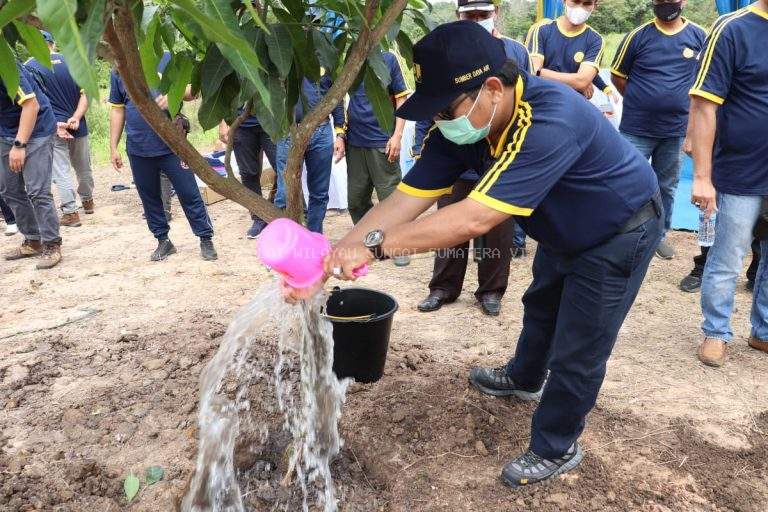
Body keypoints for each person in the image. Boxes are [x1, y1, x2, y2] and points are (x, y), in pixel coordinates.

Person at [284, 21, 662, 486]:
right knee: (541, 306)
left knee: (579, 348)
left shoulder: (552, 117)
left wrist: (375, 249)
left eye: (446, 108)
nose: (441, 122)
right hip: (564, 230)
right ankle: (524, 378)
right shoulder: (464, 126)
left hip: (618, 231)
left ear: (492, 88)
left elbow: (473, 220)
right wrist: (334, 255)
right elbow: (405, 200)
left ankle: (556, 445)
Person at [414, 0, 532, 316]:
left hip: (500, 156)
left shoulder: (515, 51)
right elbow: (433, 103)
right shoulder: (444, 48)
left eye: (483, 15)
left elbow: (524, 99)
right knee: (448, 225)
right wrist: (420, 149)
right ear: (458, 16)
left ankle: (491, 291)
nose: (477, 20)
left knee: (497, 229)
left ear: (495, 14)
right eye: (470, 16)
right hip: (458, 155)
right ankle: (443, 287)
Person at [688, 1, 768, 367]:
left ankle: (763, 331)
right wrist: (703, 177)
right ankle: (716, 331)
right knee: (729, 255)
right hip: (741, 170)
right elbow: (704, 104)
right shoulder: (732, 28)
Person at [610, 1, 706, 260]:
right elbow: (617, 75)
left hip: (675, 130)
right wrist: (642, 100)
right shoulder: (637, 36)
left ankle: (658, 236)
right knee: (627, 181)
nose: (665, 4)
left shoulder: (699, 36)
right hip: (636, 128)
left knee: (667, 186)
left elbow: (704, 81)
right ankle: (622, 234)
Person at [109, 54, 217, 261]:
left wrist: (173, 95)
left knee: (189, 193)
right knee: (149, 197)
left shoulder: (169, 58)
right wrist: (113, 146)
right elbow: (117, 110)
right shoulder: (119, 66)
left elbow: (194, 90)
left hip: (172, 145)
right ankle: (163, 241)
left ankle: (205, 238)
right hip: (138, 147)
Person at [342, 49, 411, 266]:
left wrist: (397, 136)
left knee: (390, 198)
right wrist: (341, 134)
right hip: (355, 141)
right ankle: (372, 238)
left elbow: (402, 98)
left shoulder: (388, 59)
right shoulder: (352, 56)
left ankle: (398, 245)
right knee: (355, 200)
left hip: (382, 140)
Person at [25, 31, 96, 229]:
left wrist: (55, 123)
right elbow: (86, 94)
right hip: (77, 124)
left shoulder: (29, 67)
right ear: (53, 43)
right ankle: (88, 201)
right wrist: (76, 117)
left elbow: (34, 102)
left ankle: (70, 212)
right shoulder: (73, 61)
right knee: (83, 166)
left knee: (60, 169)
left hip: (52, 126)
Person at [0, 62, 62, 269]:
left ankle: (52, 244)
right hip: (5, 132)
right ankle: (33, 239)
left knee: (37, 191)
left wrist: (19, 145)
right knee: (9, 190)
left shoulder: (4, 65)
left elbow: (31, 105)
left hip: (37, 129)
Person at [273, 76, 345, 234]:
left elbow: (337, 94)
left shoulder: (326, 56)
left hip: (321, 131)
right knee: (284, 192)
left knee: (319, 193)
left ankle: (314, 237)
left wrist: (340, 133)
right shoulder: (282, 56)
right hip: (289, 131)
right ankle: (285, 239)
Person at [526, 0, 605, 100]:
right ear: (564, 1)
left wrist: (540, 73)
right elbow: (532, 73)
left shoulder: (595, 40)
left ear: (594, 6)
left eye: (587, 3)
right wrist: (577, 81)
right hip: (540, 101)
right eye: (575, 1)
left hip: (573, 105)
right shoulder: (542, 30)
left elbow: (582, 81)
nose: (580, 8)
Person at [218, 109, 277, 238]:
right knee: (248, 173)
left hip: (272, 119)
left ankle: (275, 205)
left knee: (282, 167)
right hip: (241, 124)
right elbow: (224, 90)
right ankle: (259, 217)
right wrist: (222, 122)